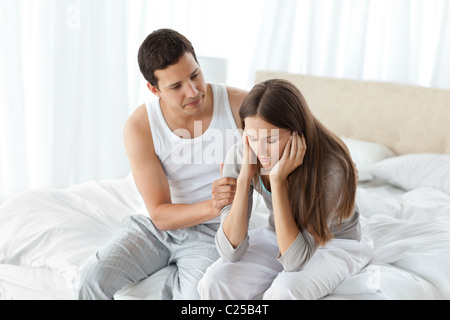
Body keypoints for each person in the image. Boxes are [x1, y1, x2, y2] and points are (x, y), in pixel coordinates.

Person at [76, 29, 247, 300]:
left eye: (195, 75)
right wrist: (214, 203)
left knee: (197, 297)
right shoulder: (140, 126)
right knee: (90, 280)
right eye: (176, 86)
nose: (193, 92)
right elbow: (160, 215)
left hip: (212, 232)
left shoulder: (239, 105)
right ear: (154, 90)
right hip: (158, 230)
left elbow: (300, 134)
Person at [197, 79, 373, 300]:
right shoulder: (244, 154)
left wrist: (278, 181)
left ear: (297, 133)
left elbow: (294, 261)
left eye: (270, 140)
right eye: (251, 138)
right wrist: (244, 179)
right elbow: (230, 252)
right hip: (279, 233)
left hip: (335, 242)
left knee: (285, 291)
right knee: (216, 280)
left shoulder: (331, 168)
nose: (260, 151)